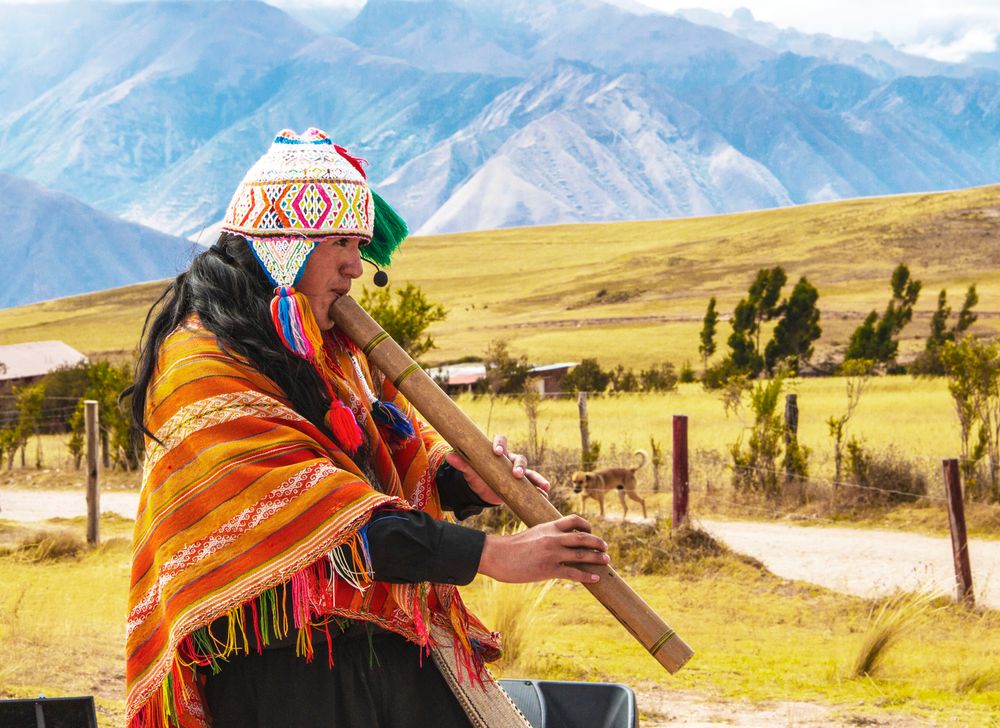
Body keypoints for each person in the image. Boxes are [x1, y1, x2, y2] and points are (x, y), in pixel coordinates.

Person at [124, 127, 610, 728]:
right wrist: (493, 555)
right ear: (286, 244)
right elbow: (326, 516)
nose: (357, 265)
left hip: (382, 657)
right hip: (277, 681)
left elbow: (386, 457)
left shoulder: (329, 349)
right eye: (341, 242)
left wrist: (461, 482)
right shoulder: (200, 365)